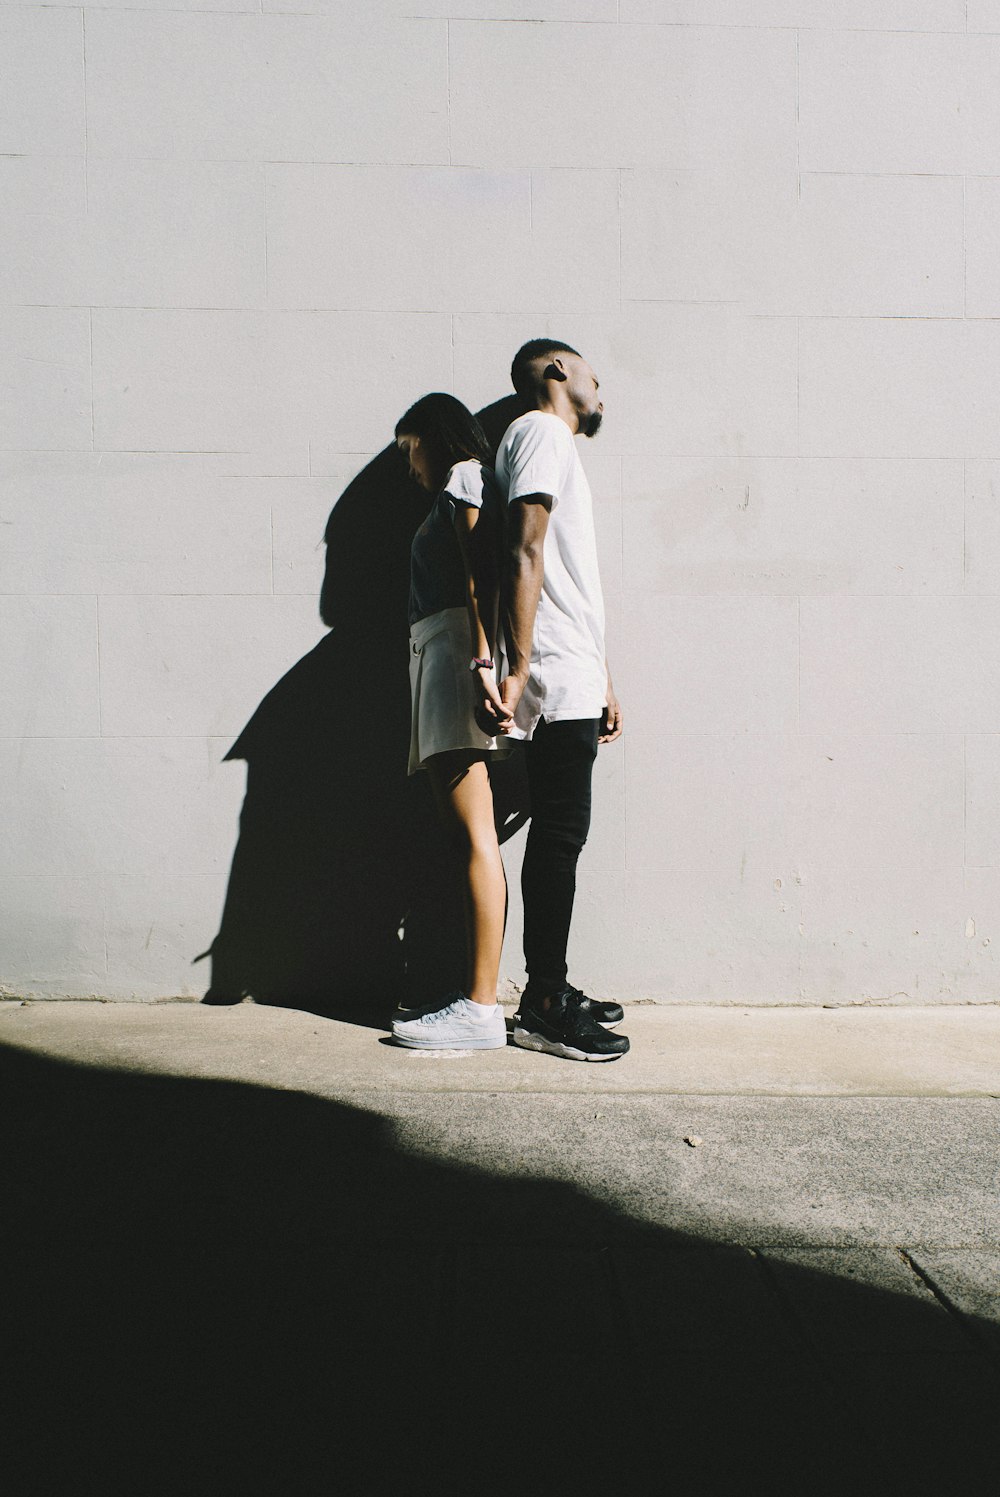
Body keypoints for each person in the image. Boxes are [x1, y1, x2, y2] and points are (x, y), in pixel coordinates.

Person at [480, 339, 630, 1062]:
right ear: (558, 372)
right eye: (595, 375)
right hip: (551, 667)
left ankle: (551, 986)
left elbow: (562, 573)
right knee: (561, 834)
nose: (603, 389)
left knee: (560, 831)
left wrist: (599, 675)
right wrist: (519, 670)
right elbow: (523, 549)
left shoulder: (551, 444)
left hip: (570, 666)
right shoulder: (541, 431)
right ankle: (544, 999)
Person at [390, 393, 509, 1051]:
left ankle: (481, 1008)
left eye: (410, 451)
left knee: (474, 834)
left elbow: (479, 572)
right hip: (441, 657)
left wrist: (483, 659)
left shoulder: (464, 474)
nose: (409, 468)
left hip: (456, 656)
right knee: (467, 833)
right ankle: (476, 996)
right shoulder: (457, 481)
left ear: (434, 439)